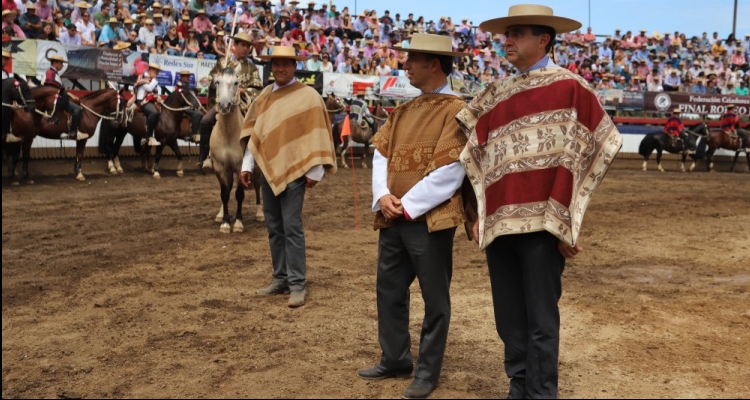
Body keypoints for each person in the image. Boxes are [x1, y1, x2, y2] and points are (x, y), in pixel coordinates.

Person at [456, 5, 623, 399]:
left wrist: (569, 221)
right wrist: (475, 214)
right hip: (499, 223)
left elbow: (597, 146)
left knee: (541, 318)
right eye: (506, 33)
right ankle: (520, 384)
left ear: (544, 39)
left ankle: (541, 393)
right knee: (508, 317)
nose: (507, 40)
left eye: (517, 33)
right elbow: (474, 156)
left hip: (545, 225)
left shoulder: (572, 89)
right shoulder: (496, 94)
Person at [357, 33, 470, 400]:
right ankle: (395, 359)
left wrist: (404, 203)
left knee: (435, 298)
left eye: (411, 60)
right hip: (396, 215)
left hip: (427, 220)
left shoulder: (457, 110)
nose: (405, 65)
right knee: (388, 291)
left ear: (433, 64)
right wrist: (382, 196)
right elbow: (380, 153)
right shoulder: (404, 110)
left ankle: (427, 371)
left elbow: (453, 168)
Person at [238, 46, 337, 307]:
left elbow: (317, 132)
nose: (280, 68)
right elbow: (254, 134)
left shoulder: (309, 97)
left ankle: (297, 284)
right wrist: (247, 165)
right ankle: (280, 278)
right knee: (273, 226)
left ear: (295, 66)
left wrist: (315, 170)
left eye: (286, 63)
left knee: (291, 226)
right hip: (269, 172)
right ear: (270, 66)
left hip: (296, 173)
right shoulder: (265, 96)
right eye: (276, 63)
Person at [200, 31, 262, 173]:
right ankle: (207, 158)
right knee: (204, 121)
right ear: (234, 45)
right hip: (222, 103)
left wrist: (243, 91)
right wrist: (216, 81)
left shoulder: (251, 67)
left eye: (248, 46)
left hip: (242, 105)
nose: (246, 49)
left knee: (257, 126)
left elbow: (257, 88)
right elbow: (209, 79)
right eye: (243, 45)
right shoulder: (223, 62)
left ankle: (255, 159)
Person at [44, 55, 84, 141]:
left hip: (56, 97)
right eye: (61, 63)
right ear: (55, 63)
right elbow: (51, 86)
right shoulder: (51, 73)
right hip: (56, 98)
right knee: (77, 109)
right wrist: (62, 90)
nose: (62, 65)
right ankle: (73, 132)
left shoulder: (53, 73)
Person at [134, 62, 163, 146]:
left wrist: (159, 99)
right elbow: (149, 89)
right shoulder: (143, 77)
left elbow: (154, 92)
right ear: (150, 69)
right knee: (154, 112)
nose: (157, 73)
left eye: (158, 71)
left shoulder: (151, 79)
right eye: (156, 71)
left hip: (150, 101)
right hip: (142, 101)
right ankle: (149, 137)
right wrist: (154, 80)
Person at [176, 70, 203, 143]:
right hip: (184, 107)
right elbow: (179, 95)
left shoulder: (188, 86)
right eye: (186, 76)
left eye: (188, 76)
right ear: (182, 77)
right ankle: (193, 134)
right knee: (198, 114)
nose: (188, 78)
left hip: (191, 107)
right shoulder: (179, 85)